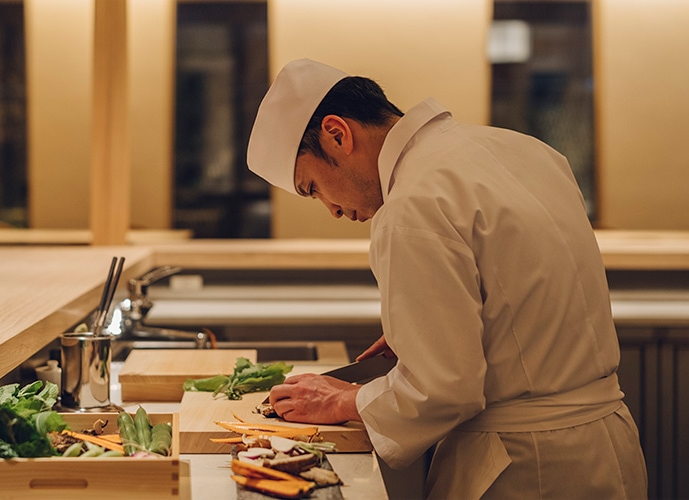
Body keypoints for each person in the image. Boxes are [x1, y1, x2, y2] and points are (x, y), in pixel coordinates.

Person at [249, 59, 648, 499]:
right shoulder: (528, 149)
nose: (332, 209)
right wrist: (442, 326)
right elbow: (531, 300)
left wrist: (341, 400)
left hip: (525, 469)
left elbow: (442, 391)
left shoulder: (410, 206)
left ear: (338, 134)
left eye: (312, 187)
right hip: (610, 448)